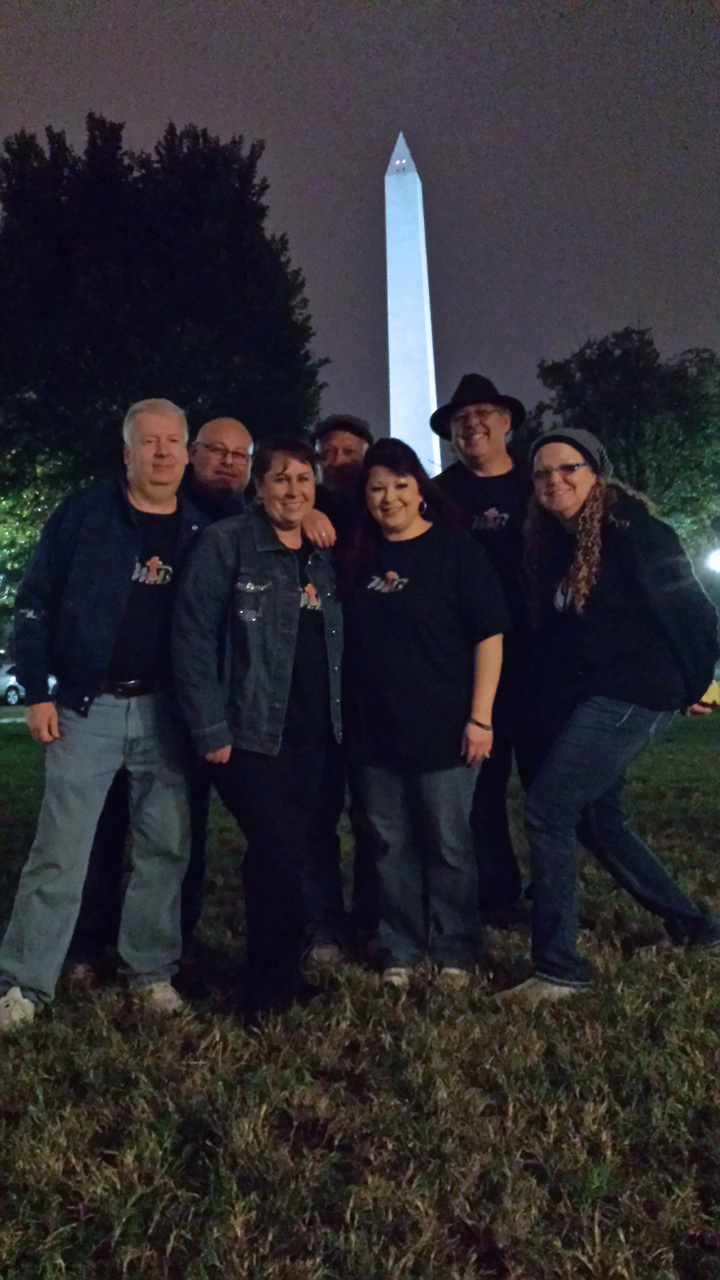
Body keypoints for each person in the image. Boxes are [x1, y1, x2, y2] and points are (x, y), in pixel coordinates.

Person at [497, 427, 720, 1007]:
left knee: (548, 810)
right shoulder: (557, 542)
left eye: (568, 468)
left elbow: (696, 616)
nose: (554, 481)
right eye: (542, 473)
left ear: (596, 472)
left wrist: (691, 685)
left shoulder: (637, 533)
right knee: (598, 821)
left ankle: (559, 969)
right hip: (593, 696)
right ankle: (696, 925)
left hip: (635, 692)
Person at [0, 399, 204, 1030]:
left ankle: (151, 971)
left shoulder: (201, 531)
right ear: (127, 452)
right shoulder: (84, 514)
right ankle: (24, 982)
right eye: (150, 441)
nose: (162, 452)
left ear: (187, 454)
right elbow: (34, 602)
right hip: (87, 706)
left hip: (166, 711)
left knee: (165, 847)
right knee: (60, 849)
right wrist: (37, 690)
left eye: (173, 441)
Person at [66, 415, 254, 982]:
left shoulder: (247, 523)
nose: (227, 462)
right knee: (102, 829)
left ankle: (171, 942)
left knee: (178, 834)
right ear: (193, 453)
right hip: (112, 700)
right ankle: (87, 943)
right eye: (215, 451)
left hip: (185, 705)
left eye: (239, 455)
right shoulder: (155, 509)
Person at [173, 436, 347, 1022]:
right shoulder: (227, 544)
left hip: (314, 733)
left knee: (291, 853)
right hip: (249, 731)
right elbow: (193, 638)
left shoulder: (321, 554)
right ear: (259, 487)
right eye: (281, 479)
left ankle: (282, 973)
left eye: (303, 479)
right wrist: (209, 726)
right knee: (276, 847)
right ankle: (263, 991)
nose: (293, 490)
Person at [340, 438, 510, 989]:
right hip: (372, 731)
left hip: (444, 729)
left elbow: (489, 637)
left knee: (448, 844)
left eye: (400, 486)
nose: (388, 498)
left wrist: (480, 718)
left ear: (420, 492)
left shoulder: (456, 551)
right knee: (389, 846)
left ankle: (457, 947)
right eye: (376, 488)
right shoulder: (356, 555)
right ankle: (402, 947)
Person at [432, 374, 531, 923]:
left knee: (548, 786)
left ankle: (552, 889)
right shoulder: (439, 494)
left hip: (538, 660)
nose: (472, 425)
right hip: (471, 664)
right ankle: (497, 894)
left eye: (483, 415)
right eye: (460, 419)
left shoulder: (537, 483)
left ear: (506, 422)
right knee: (483, 791)